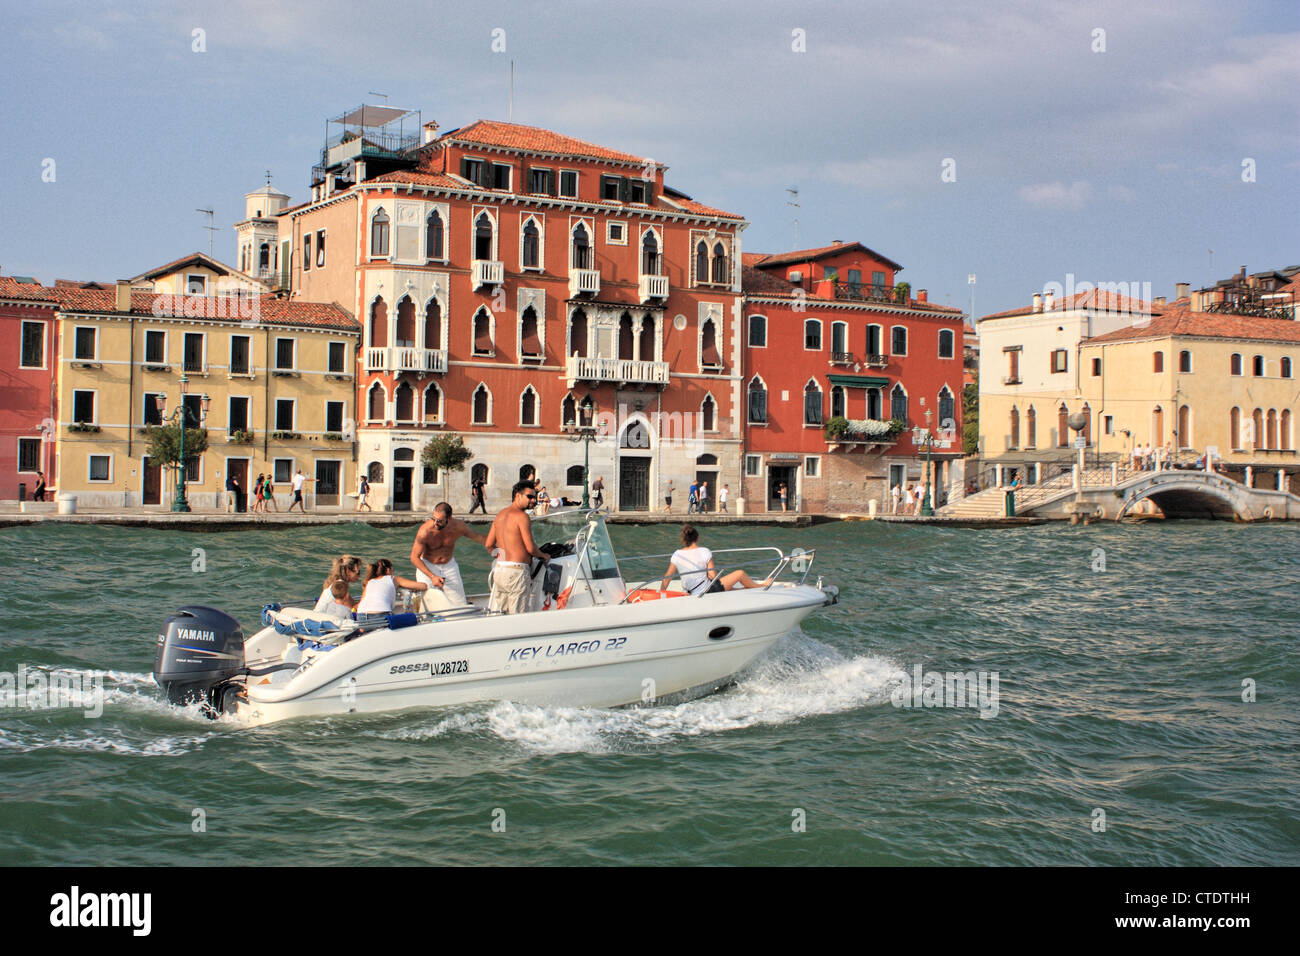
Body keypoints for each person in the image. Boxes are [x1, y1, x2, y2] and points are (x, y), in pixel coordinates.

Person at [410, 501, 490, 613]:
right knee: (427, 606)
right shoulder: (425, 531)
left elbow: (478, 537)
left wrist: (496, 546)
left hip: (449, 566)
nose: (436, 523)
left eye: (440, 521)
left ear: (450, 518)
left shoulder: (459, 526)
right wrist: (432, 576)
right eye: (434, 519)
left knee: (460, 605)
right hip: (427, 566)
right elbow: (414, 557)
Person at [484, 481, 550, 614]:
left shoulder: (500, 515)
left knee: (501, 614)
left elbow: (488, 545)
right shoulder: (522, 517)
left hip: (500, 569)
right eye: (529, 496)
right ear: (517, 496)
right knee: (517, 616)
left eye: (534, 496)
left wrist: (501, 556)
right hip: (517, 572)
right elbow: (530, 548)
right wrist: (543, 555)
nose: (533, 500)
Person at [659, 524, 769, 596]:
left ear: (683, 540)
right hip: (706, 591)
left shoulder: (677, 554)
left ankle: (746, 590)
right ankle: (761, 587)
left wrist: (661, 593)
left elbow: (668, 577)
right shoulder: (704, 551)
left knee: (730, 588)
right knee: (740, 573)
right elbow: (713, 576)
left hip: (689, 592)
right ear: (697, 538)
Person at [356, 558, 427, 616]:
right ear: (388, 570)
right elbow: (422, 586)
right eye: (393, 570)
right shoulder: (393, 579)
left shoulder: (369, 582)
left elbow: (360, 603)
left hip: (361, 616)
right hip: (380, 615)